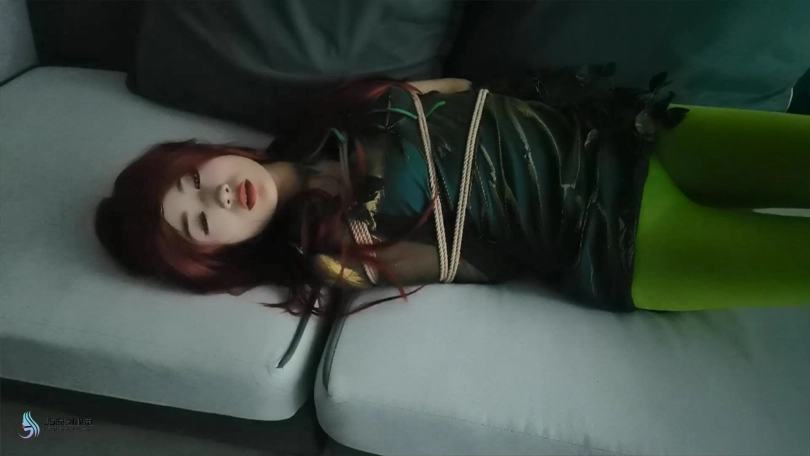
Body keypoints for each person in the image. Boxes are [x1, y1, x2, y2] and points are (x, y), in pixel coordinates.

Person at [95, 66, 810, 316]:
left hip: (631, 130)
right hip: (615, 232)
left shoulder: (321, 112)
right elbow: (474, 261)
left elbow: (461, 90)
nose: (216, 199)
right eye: (198, 223)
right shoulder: (327, 252)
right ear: (220, 256)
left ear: (207, 153)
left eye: (195, 181)